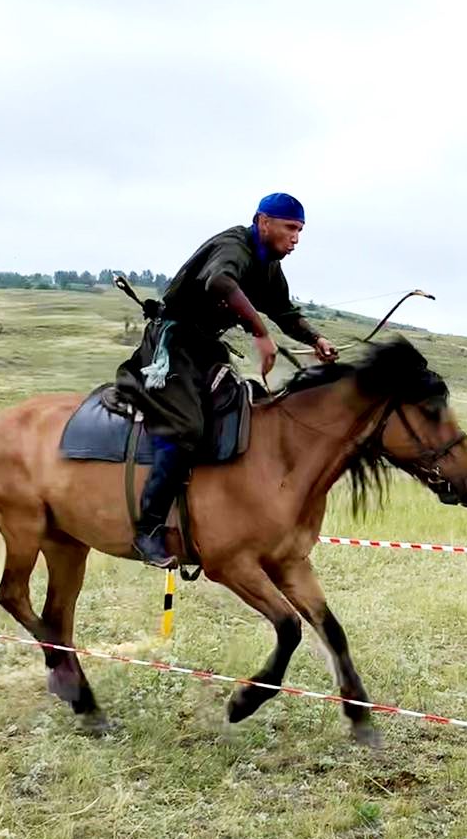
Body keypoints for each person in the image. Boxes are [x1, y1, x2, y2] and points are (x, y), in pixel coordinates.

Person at [116, 193, 338, 567]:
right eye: (290, 228)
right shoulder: (234, 245)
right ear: (263, 222)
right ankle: (148, 530)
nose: (296, 238)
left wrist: (316, 338)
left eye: (300, 231)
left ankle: (215, 515)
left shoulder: (268, 266)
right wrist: (258, 331)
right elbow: (218, 281)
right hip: (173, 347)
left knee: (243, 412)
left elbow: (284, 310)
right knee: (186, 429)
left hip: (205, 349)